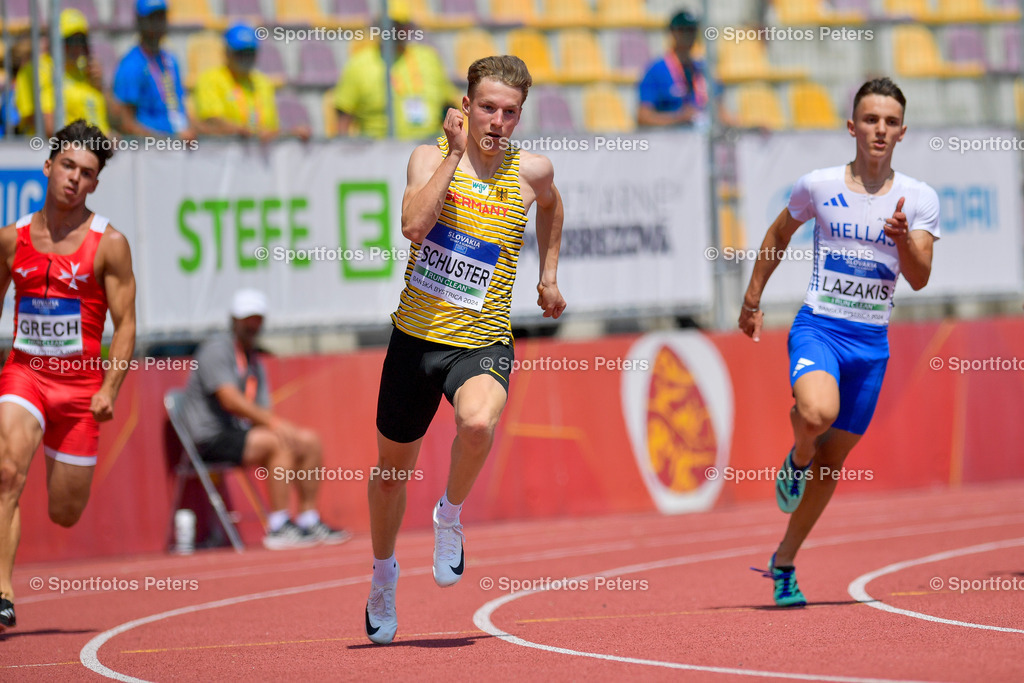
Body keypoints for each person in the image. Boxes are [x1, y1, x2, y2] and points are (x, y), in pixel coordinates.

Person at [364, 54, 566, 645]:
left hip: (479, 341)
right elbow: (412, 225)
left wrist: (548, 275)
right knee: (388, 477)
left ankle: (449, 515)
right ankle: (382, 575)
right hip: (415, 342)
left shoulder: (532, 173)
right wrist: (454, 156)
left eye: (510, 112)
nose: (497, 121)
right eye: (487, 108)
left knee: (477, 422)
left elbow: (552, 207)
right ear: (465, 105)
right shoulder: (429, 158)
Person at [739, 77, 940, 606]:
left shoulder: (918, 198)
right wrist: (752, 299)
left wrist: (902, 241)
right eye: (871, 120)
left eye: (890, 122)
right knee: (815, 414)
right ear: (852, 127)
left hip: (871, 345)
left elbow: (919, 277)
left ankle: (784, 562)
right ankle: (797, 456)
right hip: (821, 326)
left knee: (832, 465)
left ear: (902, 132)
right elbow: (780, 234)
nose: (880, 129)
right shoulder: (819, 185)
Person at [0, 120, 137, 632]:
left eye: (86, 172)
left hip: (81, 391)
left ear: (95, 183)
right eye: (67, 166)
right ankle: (2, 591)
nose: (74, 179)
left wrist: (109, 388)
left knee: (64, 511)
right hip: (25, 374)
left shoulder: (110, 244)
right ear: (48, 166)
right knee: (7, 473)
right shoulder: (10, 240)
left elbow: (127, 327)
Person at [177, 289, 350, 550]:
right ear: (234, 320)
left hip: (240, 433)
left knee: (309, 441)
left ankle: (307, 519)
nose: (252, 325)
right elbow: (230, 399)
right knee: (276, 441)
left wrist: (276, 426)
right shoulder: (216, 349)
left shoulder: (253, 358)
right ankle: (279, 526)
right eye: (247, 318)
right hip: (209, 438)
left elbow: (259, 408)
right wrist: (274, 425)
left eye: (257, 319)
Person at [333, 4, 459, 140]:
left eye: (401, 24)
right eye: (391, 25)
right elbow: (343, 120)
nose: (396, 30)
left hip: (429, 147)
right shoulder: (359, 65)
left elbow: (448, 106)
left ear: (408, 26)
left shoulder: (429, 58)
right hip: (379, 150)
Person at [194, 22, 309, 142]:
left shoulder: (262, 82)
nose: (245, 58)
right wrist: (243, 130)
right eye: (240, 53)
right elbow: (210, 120)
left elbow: (270, 127)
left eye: (250, 53)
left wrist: (291, 133)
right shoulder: (210, 79)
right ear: (227, 53)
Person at [14, 9, 114, 137]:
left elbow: (117, 120)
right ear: (55, 41)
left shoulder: (87, 71)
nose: (77, 46)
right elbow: (50, 128)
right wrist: (96, 141)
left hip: (95, 149)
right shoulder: (39, 69)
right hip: (64, 150)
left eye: (81, 40)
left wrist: (101, 87)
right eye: (69, 40)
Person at [111, 0, 195, 140]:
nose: (158, 24)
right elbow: (126, 124)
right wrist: (167, 140)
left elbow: (180, 109)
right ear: (139, 21)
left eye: (161, 17)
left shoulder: (171, 60)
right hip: (150, 151)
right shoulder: (131, 65)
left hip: (179, 146)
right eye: (152, 18)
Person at [636, 10, 732, 129]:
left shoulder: (704, 70)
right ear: (672, 32)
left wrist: (749, 127)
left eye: (692, 30)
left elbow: (721, 113)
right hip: (670, 140)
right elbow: (643, 117)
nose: (688, 35)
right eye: (683, 30)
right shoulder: (656, 70)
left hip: (703, 137)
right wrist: (678, 118)